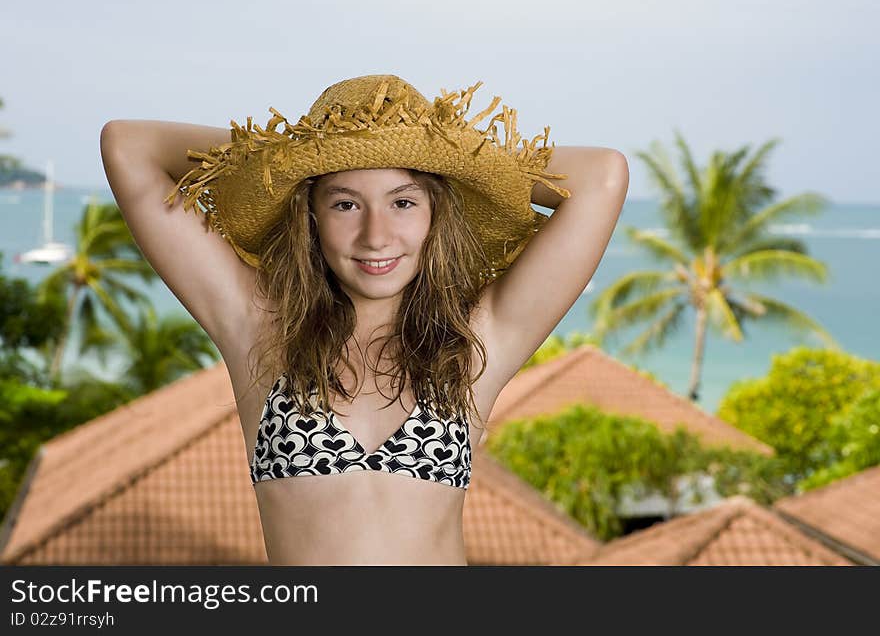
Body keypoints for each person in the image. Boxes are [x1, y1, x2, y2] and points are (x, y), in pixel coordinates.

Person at [99, 74, 629, 565]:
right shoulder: (259, 328)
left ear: (436, 214)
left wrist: (456, 157)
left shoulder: (473, 345)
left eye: (403, 202)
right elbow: (127, 146)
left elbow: (602, 176)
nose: (376, 236)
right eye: (346, 205)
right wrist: (292, 153)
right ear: (310, 215)